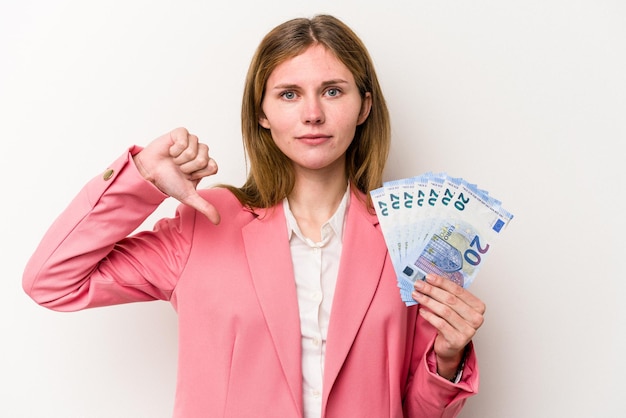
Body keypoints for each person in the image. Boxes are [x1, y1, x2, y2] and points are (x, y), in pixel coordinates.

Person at [23, 14, 485, 418]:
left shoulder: (409, 239)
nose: (312, 114)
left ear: (364, 105)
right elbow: (52, 281)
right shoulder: (203, 224)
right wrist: (140, 177)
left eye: (332, 90)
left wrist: (447, 359)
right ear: (261, 113)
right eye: (288, 94)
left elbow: (417, 411)